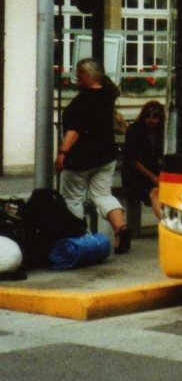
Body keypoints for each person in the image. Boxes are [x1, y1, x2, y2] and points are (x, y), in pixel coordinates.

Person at [55, 58, 130, 253]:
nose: (76, 76)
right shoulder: (107, 93)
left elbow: (75, 130)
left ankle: (81, 239)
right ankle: (120, 229)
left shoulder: (84, 99)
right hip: (106, 156)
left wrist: (62, 152)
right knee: (103, 195)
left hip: (81, 158)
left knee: (72, 198)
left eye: (80, 72)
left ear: (90, 75)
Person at [122, 100, 165, 221]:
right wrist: (154, 177)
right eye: (148, 116)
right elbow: (132, 160)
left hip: (154, 172)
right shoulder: (134, 130)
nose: (151, 120)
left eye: (155, 117)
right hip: (135, 174)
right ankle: (165, 224)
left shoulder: (162, 132)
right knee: (155, 192)